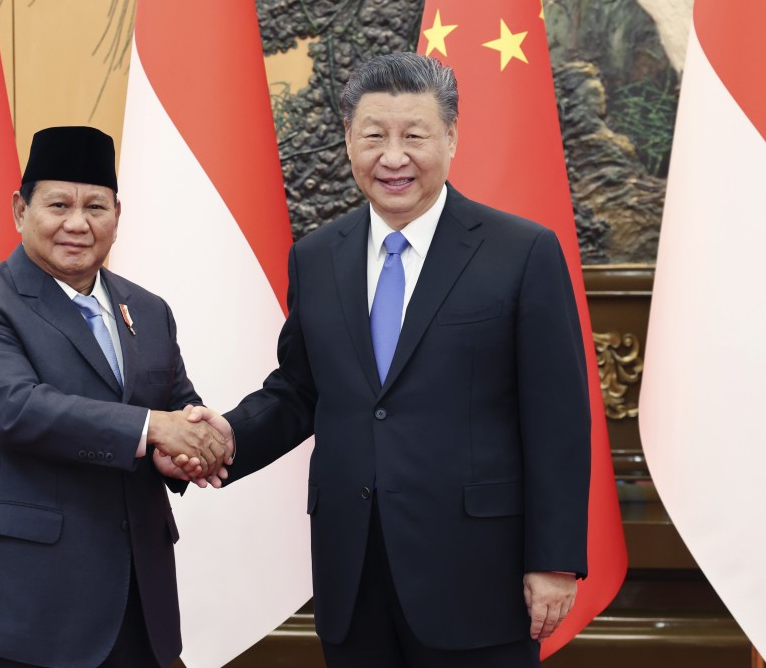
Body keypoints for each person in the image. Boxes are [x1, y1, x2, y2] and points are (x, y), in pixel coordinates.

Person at [189, 52, 591, 667]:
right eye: (374, 135)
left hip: (477, 576)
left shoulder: (522, 252)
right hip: (354, 574)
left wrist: (555, 560)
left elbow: (558, 419)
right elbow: (301, 390)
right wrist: (221, 438)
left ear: (452, 137)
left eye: (415, 136)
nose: (393, 157)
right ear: (349, 139)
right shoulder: (318, 256)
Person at [0, 126, 228, 668]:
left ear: (118, 213)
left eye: (96, 206)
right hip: (24, 610)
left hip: (139, 606)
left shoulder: (150, 310)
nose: (77, 223)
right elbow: (18, 410)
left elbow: (179, 410)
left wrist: (185, 449)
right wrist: (151, 430)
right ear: (21, 210)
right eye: (58, 204)